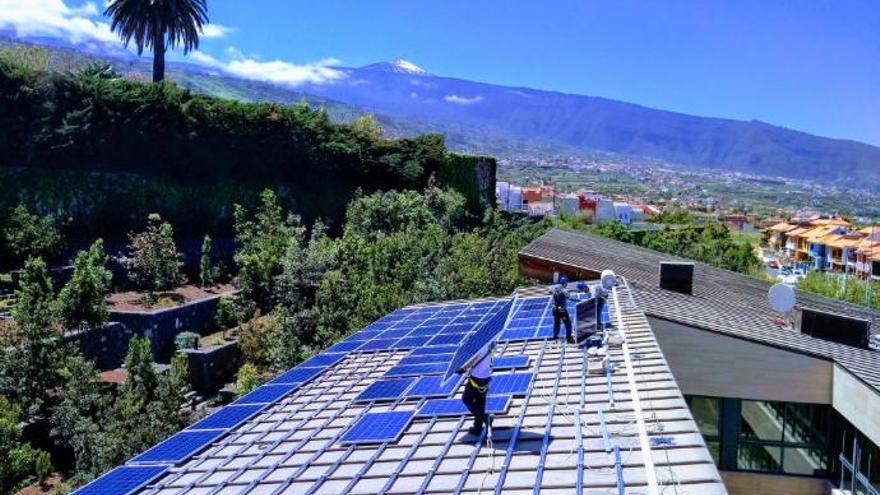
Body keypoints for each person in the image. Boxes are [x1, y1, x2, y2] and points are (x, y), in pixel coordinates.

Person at [462, 342, 494, 436]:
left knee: (466, 399)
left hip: (477, 376)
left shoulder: (481, 344)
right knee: (480, 403)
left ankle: (486, 418)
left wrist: (463, 369)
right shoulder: (492, 343)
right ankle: (477, 428)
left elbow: (474, 359)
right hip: (486, 376)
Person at [550, 276, 578, 343]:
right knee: (568, 324)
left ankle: (555, 338)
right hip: (562, 311)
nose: (567, 284)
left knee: (556, 324)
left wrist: (554, 307)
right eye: (567, 283)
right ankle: (569, 338)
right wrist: (579, 300)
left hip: (555, 311)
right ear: (565, 283)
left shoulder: (555, 289)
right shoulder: (564, 291)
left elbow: (552, 301)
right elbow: (570, 298)